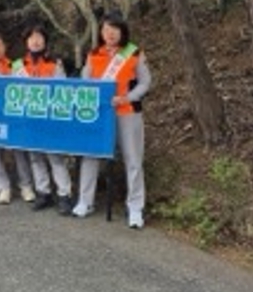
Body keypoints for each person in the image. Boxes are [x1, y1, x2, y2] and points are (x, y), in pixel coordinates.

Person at [72, 12, 152, 229]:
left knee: (133, 159)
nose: (110, 34)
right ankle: (85, 201)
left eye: (114, 29)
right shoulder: (93, 54)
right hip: (99, 113)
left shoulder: (133, 52)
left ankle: (135, 207)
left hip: (128, 112)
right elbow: (85, 81)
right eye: (106, 29)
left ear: (122, 31)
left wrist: (128, 97)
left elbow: (145, 82)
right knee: (91, 154)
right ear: (100, 32)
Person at [13, 24, 73, 214]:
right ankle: (43, 192)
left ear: (45, 41)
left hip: (50, 117)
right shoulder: (18, 65)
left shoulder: (55, 63)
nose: (36, 41)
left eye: (39, 37)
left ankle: (64, 195)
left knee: (55, 157)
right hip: (29, 117)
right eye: (32, 37)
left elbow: (63, 90)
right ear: (26, 42)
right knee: (35, 157)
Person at [0, 32, 37, 205]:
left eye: (0, 45)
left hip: (13, 115)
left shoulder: (15, 65)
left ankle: (25, 185)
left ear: (5, 48)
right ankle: (3, 187)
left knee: (19, 150)